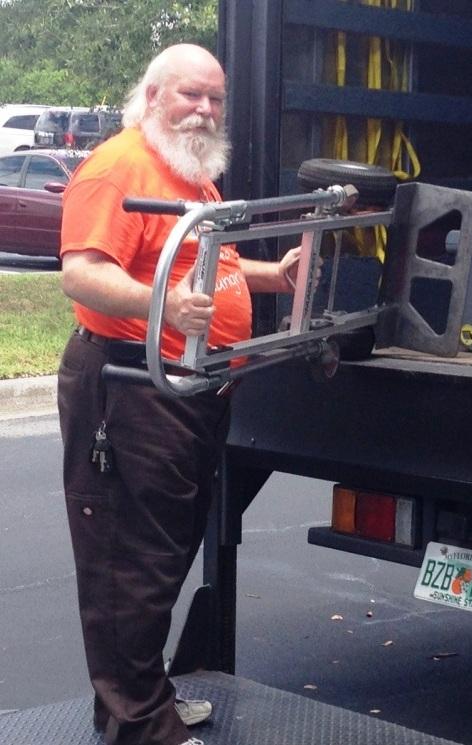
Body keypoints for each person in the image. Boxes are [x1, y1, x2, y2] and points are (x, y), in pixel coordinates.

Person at [57, 44, 303, 745]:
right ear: (153, 95)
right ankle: (139, 726)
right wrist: (162, 304)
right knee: (127, 562)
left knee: (162, 556)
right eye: (190, 95)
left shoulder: (192, 173)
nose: (204, 110)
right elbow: (81, 273)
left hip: (189, 387)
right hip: (130, 386)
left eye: (215, 98)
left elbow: (211, 267)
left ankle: (139, 699)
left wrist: (272, 276)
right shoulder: (119, 167)